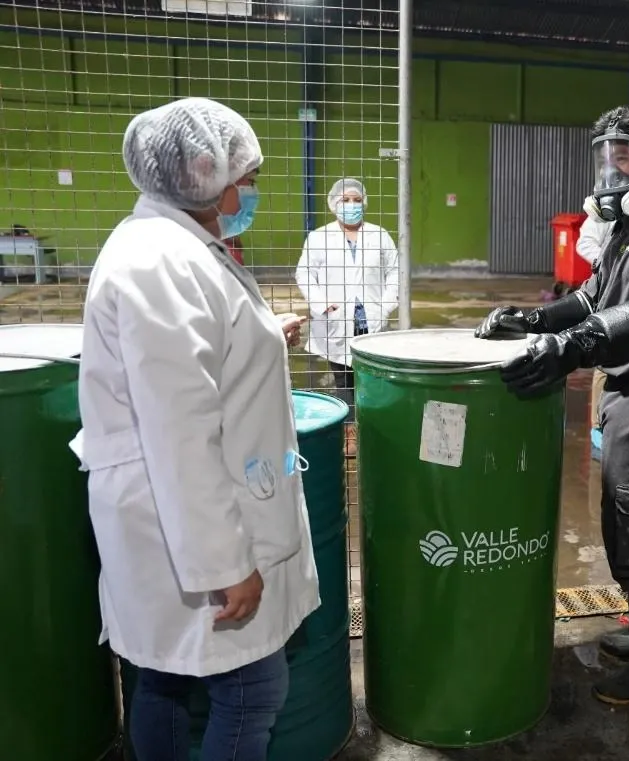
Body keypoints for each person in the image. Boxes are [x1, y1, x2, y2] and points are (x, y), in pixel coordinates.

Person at [72, 97, 320, 761]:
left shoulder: (173, 246)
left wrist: (265, 336)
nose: (251, 192)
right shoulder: (161, 262)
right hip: (180, 527)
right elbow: (179, 430)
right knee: (252, 691)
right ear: (206, 173)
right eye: (248, 178)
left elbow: (200, 355)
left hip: (173, 519)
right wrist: (225, 565)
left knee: (164, 680)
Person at [474, 101, 629, 705]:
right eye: (605, 156)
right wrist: (536, 319)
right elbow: (593, 296)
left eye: (624, 155)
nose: (612, 169)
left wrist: (571, 348)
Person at [296, 178, 399, 457]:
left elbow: (394, 272)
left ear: (364, 203)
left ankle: (374, 428)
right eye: (345, 200)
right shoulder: (319, 237)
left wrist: (385, 306)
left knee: (371, 376)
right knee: (343, 378)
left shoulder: (379, 235)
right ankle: (350, 432)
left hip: (370, 317)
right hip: (336, 319)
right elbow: (304, 274)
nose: (351, 205)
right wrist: (320, 303)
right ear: (333, 204)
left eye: (356, 200)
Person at [576, 214, 614, 451]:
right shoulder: (608, 210)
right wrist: (612, 263)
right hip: (610, 287)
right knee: (605, 359)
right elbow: (585, 243)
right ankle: (598, 425)